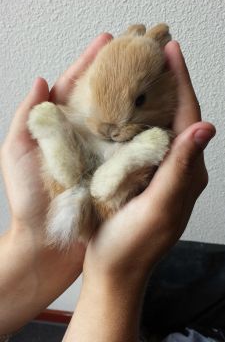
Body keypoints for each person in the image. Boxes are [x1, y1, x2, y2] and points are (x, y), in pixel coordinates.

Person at [0, 33, 215, 342]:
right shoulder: (89, 102)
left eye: (139, 100)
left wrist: (34, 240)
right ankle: (60, 148)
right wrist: (116, 274)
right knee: (67, 141)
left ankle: (112, 177)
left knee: (150, 145)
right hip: (83, 144)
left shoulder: (158, 101)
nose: (112, 128)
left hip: (117, 167)